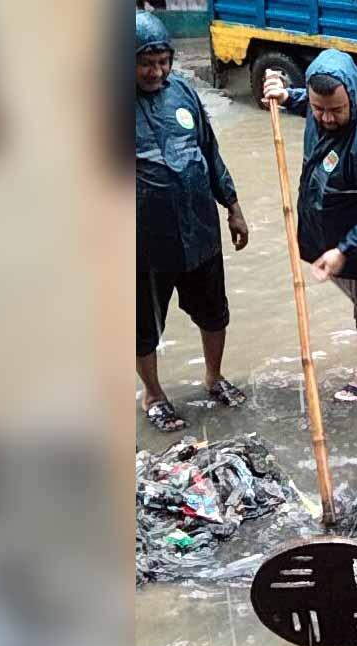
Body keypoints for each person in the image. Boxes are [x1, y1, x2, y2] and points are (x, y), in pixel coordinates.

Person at [262, 50, 357, 403]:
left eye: (335, 110)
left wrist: (344, 250)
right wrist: (286, 97)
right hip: (327, 232)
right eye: (318, 108)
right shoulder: (321, 109)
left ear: (354, 97)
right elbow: (309, 105)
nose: (326, 118)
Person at [135, 11, 250, 432]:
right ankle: (154, 394)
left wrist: (233, 207)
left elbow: (210, 151)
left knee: (215, 313)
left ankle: (214, 377)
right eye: (146, 63)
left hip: (200, 233)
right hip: (144, 244)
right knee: (143, 327)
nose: (157, 71)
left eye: (163, 61)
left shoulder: (183, 93)